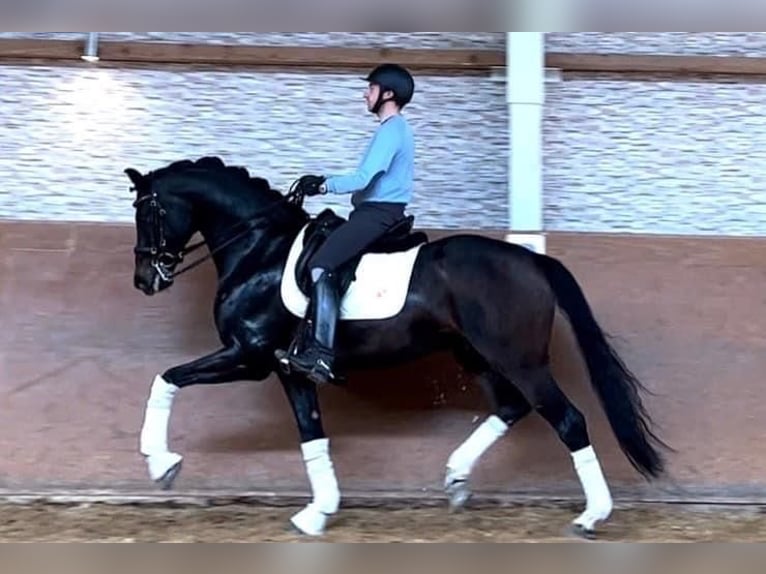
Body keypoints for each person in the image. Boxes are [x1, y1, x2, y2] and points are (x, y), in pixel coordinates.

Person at [276, 63, 416, 385]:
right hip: (372, 212)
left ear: (388, 94)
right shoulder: (394, 130)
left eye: (370, 89)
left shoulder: (392, 129)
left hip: (378, 213)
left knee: (320, 264)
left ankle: (321, 356)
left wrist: (323, 184)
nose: (365, 94)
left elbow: (363, 178)